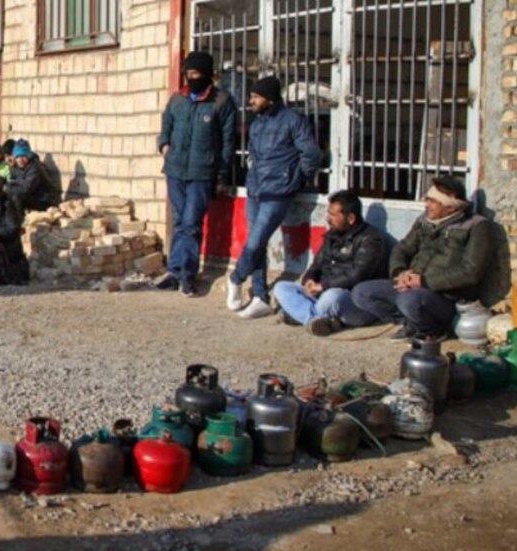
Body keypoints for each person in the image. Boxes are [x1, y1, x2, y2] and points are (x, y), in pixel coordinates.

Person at [351, 176, 496, 342]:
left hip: (445, 297)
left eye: (433, 201)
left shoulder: (477, 226)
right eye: (427, 199)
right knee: (361, 293)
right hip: (413, 286)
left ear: (450, 206)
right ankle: (411, 324)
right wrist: (400, 272)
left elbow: (471, 272)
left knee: (409, 300)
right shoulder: (424, 221)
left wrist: (424, 281)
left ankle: (433, 330)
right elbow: (402, 248)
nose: (426, 205)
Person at [227, 76, 323, 318]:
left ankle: (236, 277)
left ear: (269, 99)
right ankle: (260, 296)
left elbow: (311, 153)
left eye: (256, 97)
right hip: (256, 189)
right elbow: (253, 156)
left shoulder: (292, 120)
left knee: (256, 239)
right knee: (256, 243)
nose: (251, 101)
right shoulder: (258, 123)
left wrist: (297, 178)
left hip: (278, 192)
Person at [154, 50, 237, 297]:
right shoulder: (177, 99)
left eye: (198, 74)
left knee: (191, 223)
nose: (193, 78)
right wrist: (164, 145)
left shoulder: (221, 101)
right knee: (180, 220)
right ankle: (175, 270)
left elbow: (227, 141)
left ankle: (188, 274)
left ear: (209, 75)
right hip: (176, 170)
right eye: (189, 74)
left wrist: (220, 173)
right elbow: (166, 124)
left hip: (202, 172)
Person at [273, 190, 386, 336]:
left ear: (350, 218)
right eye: (328, 213)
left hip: (352, 300)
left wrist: (323, 286)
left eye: (332, 215)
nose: (327, 218)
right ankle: (316, 319)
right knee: (282, 287)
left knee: (331, 297)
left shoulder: (371, 239)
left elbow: (357, 275)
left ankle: (301, 315)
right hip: (322, 292)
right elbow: (317, 264)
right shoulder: (332, 234)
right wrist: (309, 280)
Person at [6, 139, 60, 213]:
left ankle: (18, 221)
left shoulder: (34, 167)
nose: (21, 160)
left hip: (44, 200)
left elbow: (27, 188)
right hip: (32, 196)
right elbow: (12, 180)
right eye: (18, 157)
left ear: (28, 156)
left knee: (16, 196)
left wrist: (8, 188)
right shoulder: (15, 166)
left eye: (23, 156)